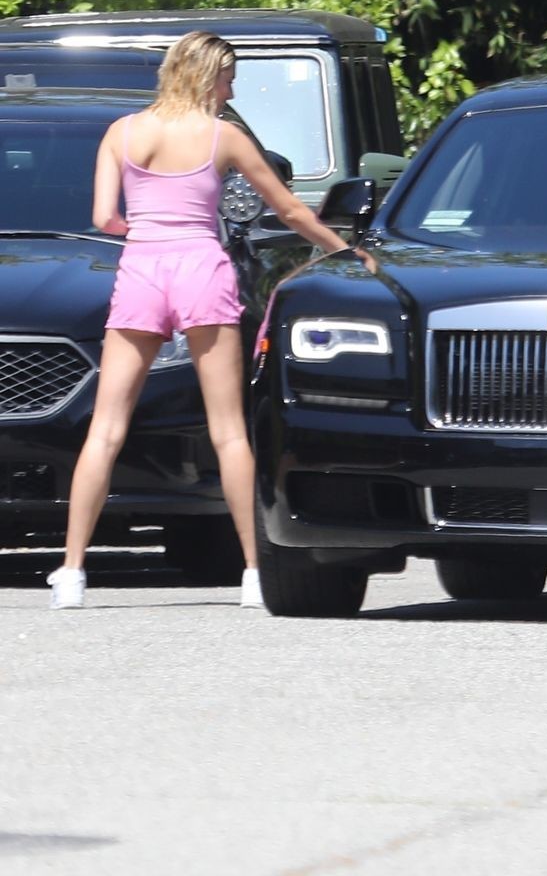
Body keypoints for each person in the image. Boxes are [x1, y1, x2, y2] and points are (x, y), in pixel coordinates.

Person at [48, 32, 357, 609]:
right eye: (228, 78)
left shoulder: (122, 132)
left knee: (106, 429)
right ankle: (254, 573)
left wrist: (144, 232)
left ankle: (70, 573)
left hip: (141, 269)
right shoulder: (224, 136)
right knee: (229, 431)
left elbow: (104, 216)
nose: (231, 90)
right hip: (201, 269)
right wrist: (344, 251)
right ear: (207, 75)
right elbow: (288, 209)